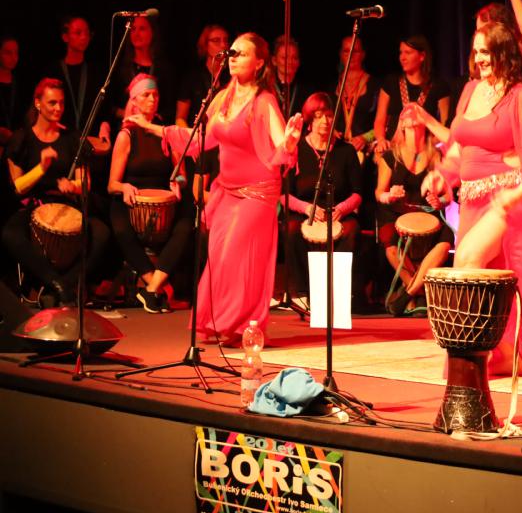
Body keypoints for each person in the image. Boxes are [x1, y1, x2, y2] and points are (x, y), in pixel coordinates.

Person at [129, 33, 302, 346]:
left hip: (258, 191)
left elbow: (281, 146)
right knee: (219, 255)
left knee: (237, 252)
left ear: (259, 62)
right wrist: (154, 128)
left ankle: (240, 325)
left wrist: (290, 141)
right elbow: (200, 140)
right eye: (231, 52)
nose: (233, 58)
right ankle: (223, 322)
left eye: (241, 53)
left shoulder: (264, 101)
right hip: (228, 190)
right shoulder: (222, 97)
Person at [423, 22, 522, 374]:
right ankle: (499, 352)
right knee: (478, 272)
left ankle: (470, 353)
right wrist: (442, 176)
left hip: (506, 199)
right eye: (476, 51)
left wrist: (519, 191)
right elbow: (459, 149)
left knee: (467, 261)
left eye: (486, 51)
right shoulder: (471, 90)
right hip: (471, 200)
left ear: (503, 53)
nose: (479, 58)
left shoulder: (521, 95)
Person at [3, 78, 112, 306]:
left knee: (102, 234)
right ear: (38, 103)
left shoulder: (71, 139)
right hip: (34, 206)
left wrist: (73, 186)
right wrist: (41, 168)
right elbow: (17, 187)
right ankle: (58, 285)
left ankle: (63, 285)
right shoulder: (22, 139)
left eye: (61, 103)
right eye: (52, 103)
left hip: (67, 204)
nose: (58, 108)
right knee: (10, 234)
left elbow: (85, 182)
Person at [108, 74, 194, 313]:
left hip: (163, 198)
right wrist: (124, 187)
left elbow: (182, 174)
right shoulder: (126, 135)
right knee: (121, 229)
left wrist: (177, 182)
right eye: (146, 95)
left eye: (155, 95)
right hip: (132, 198)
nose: (152, 99)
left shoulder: (165, 132)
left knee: (186, 224)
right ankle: (158, 288)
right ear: (134, 100)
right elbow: (112, 184)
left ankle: (151, 289)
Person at [280, 92, 363, 311]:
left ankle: (337, 294)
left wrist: (342, 209)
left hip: (338, 212)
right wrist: (307, 208)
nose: (325, 121)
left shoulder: (346, 151)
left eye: (328, 115)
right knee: (291, 229)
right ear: (309, 120)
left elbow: (358, 193)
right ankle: (302, 293)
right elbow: (283, 194)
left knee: (351, 232)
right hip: (306, 212)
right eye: (318, 116)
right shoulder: (296, 149)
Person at [375, 94, 453, 316]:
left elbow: (448, 196)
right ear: (401, 126)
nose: (411, 111)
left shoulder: (436, 154)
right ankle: (421, 292)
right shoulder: (391, 156)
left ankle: (407, 294)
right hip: (398, 215)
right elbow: (379, 192)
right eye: (407, 116)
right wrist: (389, 196)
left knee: (446, 241)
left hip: (428, 216)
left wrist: (440, 201)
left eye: (416, 114)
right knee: (391, 243)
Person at [44, 16, 111, 155]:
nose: (84, 37)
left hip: (90, 143)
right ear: (65, 37)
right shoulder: (53, 71)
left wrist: (105, 128)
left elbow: (105, 110)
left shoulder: (96, 72)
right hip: (60, 141)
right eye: (78, 33)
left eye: (87, 33)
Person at [372, 35, 451, 154]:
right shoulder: (391, 82)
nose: (402, 57)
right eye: (401, 52)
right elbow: (379, 120)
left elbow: (445, 125)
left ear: (422, 56)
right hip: (393, 149)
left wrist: (429, 147)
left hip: (423, 153)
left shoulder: (439, 86)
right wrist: (381, 140)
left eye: (408, 53)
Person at [114, 13, 175, 121]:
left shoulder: (163, 69)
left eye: (142, 29)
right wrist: (129, 115)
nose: (136, 34)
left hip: (153, 127)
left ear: (153, 33)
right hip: (125, 125)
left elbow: (169, 108)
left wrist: (150, 119)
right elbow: (111, 107)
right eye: (133, 29)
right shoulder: (120, 67)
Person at [329, 35, 379, 156]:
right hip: (337, 151)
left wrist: (365, 138)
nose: (351, 55)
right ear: (341, 54)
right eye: (346, 51)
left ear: (363, 54)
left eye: (355, 51)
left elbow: (385, 123)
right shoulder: (331, 86)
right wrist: (331, 130)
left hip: (365, 152)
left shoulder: (375, 86)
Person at [175, 25, 230, 126]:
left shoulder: (232, 76)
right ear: (205, 45)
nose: (223, 45)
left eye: (225, 40)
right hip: (197, 132)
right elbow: (180, 118)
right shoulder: (192, 77)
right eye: (216, 40)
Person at [272, 36, 313, 119]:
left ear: (299, 62)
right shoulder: (267, 87)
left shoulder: (307, 91)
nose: (290, 62)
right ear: (274, 60)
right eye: (284, 58)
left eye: (294, 58)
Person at [0, 36, 25, 148]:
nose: (13, 57)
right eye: (8, 53)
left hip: (16, 146)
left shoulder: (22, 83)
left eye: (16, 53)